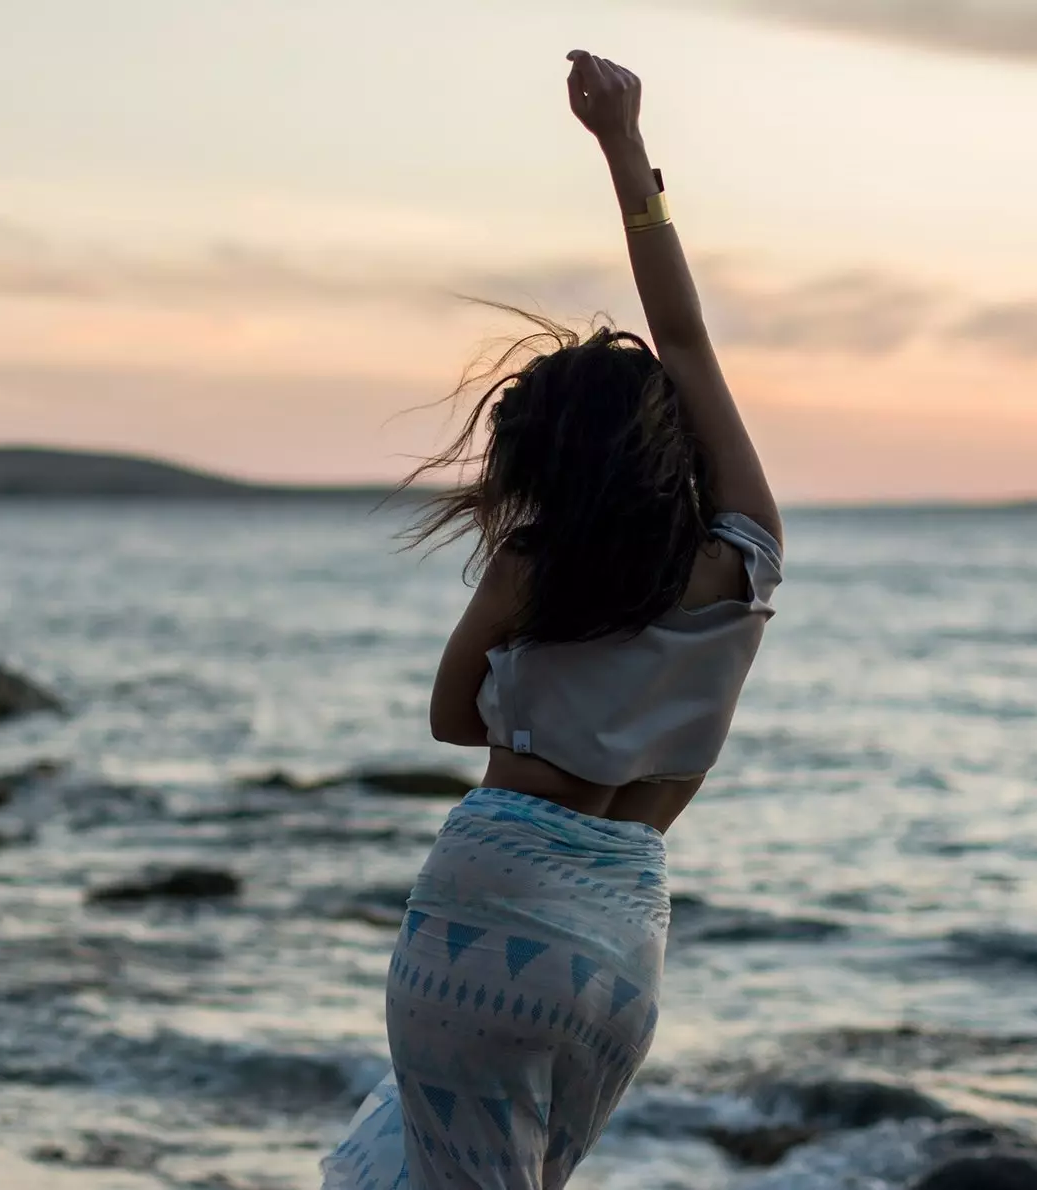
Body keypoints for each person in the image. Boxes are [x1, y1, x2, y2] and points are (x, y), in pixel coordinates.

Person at [320, 50, 784, 1190]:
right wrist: (627, 153)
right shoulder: (744, 558)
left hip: (488, 902)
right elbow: (686, 345)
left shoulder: (533, 562)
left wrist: (527, 691)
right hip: (623, 937)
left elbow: (445, 717)